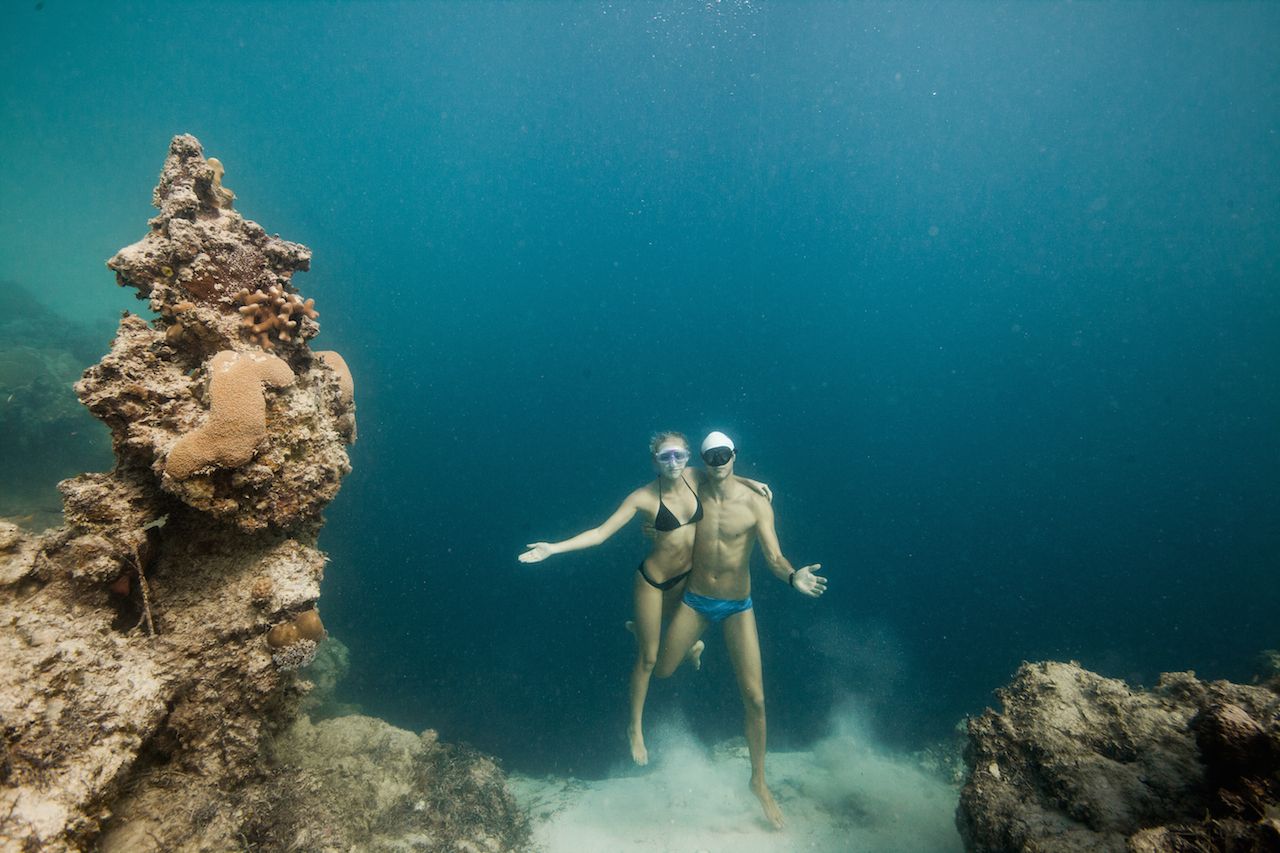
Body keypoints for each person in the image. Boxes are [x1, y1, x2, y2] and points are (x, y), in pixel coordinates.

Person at [519, 431, 771, 766]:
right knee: (649, 659)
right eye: (665, 457)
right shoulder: (642, 498)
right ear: (654, 460)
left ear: (687, 457)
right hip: (654, 582)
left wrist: (752, 483)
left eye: (679, 456)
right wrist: (554, 548)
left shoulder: (695, 477)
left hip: (689, 582)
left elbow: (724, 471)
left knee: (678, 638)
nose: (673, 463)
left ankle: (662, 637)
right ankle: (634, 728)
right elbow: (600, 533)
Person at [653, 430, 826, 830]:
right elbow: (677, 469)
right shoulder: (691, 484)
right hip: (695, 601)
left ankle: (759, 782)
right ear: (702, 459)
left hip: (737, 606)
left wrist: (792, 576)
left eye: (724, 455)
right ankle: (693, 646)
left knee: (756, 699)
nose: (717, 462)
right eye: (709, 456)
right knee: (661, 670)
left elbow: (773, 555)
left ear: (735, 455)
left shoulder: (756, 505)